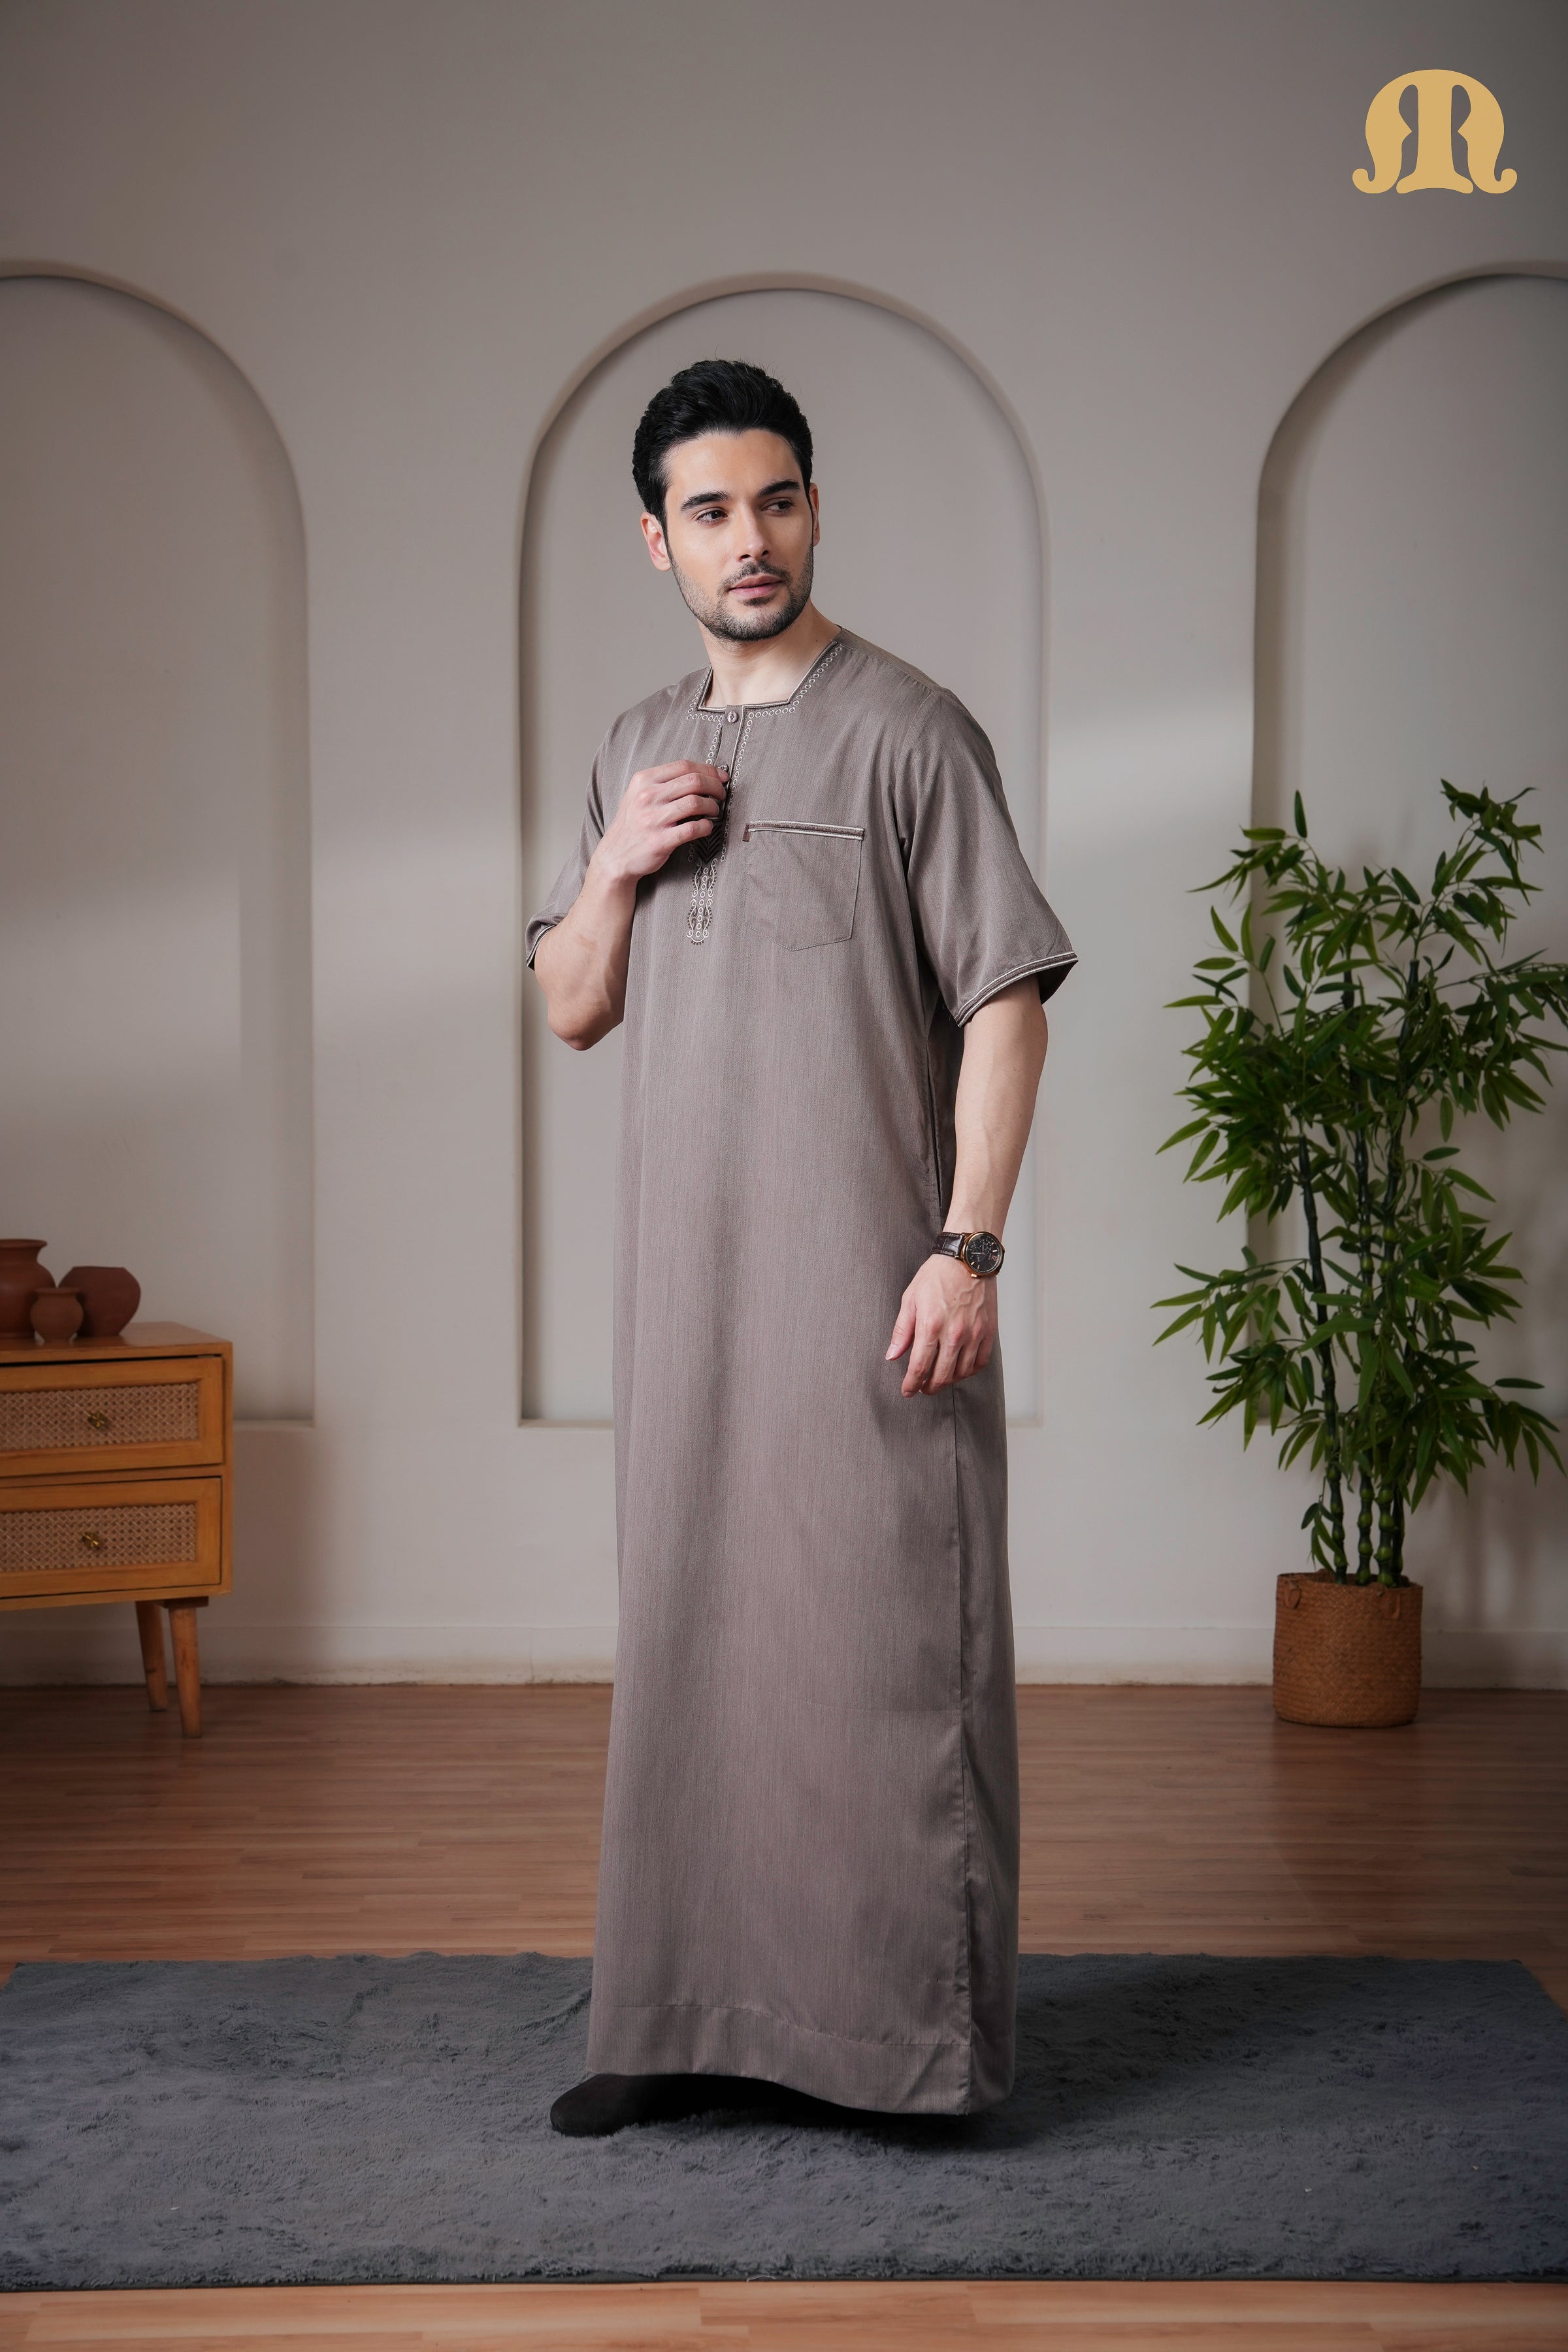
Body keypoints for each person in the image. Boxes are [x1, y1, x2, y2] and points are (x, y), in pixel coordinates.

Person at [528, 359, 1075, 2136]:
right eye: (709, 511)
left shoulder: (913, 732)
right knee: (695, 1643)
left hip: (869, 1288)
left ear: (815, 509)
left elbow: (1005, 1000)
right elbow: (572, 1007)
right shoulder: (630, 747)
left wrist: (968, 1247)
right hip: (684, 1300)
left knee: (879, 1661)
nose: (748, 538)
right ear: (657, 540)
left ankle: (907, 2052)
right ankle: (676, 2019)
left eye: (776, 500)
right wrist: (613, 865)